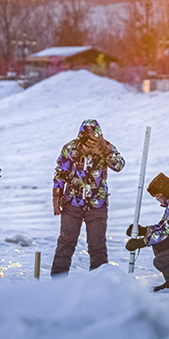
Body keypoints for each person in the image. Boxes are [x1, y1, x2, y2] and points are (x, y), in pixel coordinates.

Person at [50, 119, 124, 277]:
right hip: (72, 203)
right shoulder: (70, 148)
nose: (89, 144)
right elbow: (60, 173)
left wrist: (104, 150)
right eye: (86, 139)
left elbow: (119, 166)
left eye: (93, 139)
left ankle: (99, 285)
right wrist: (56, 196)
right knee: (66, 243)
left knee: (97, 246)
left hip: (97, 205)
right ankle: (57, 283)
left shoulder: (107, 148)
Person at [125, 172, 169, 291]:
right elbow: (162, 226)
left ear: (164, 192)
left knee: (160, 261)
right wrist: (143, 230)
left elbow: (163, 232)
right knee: (158, 243)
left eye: (158, 195)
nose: (157, 199)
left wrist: (141, 242)